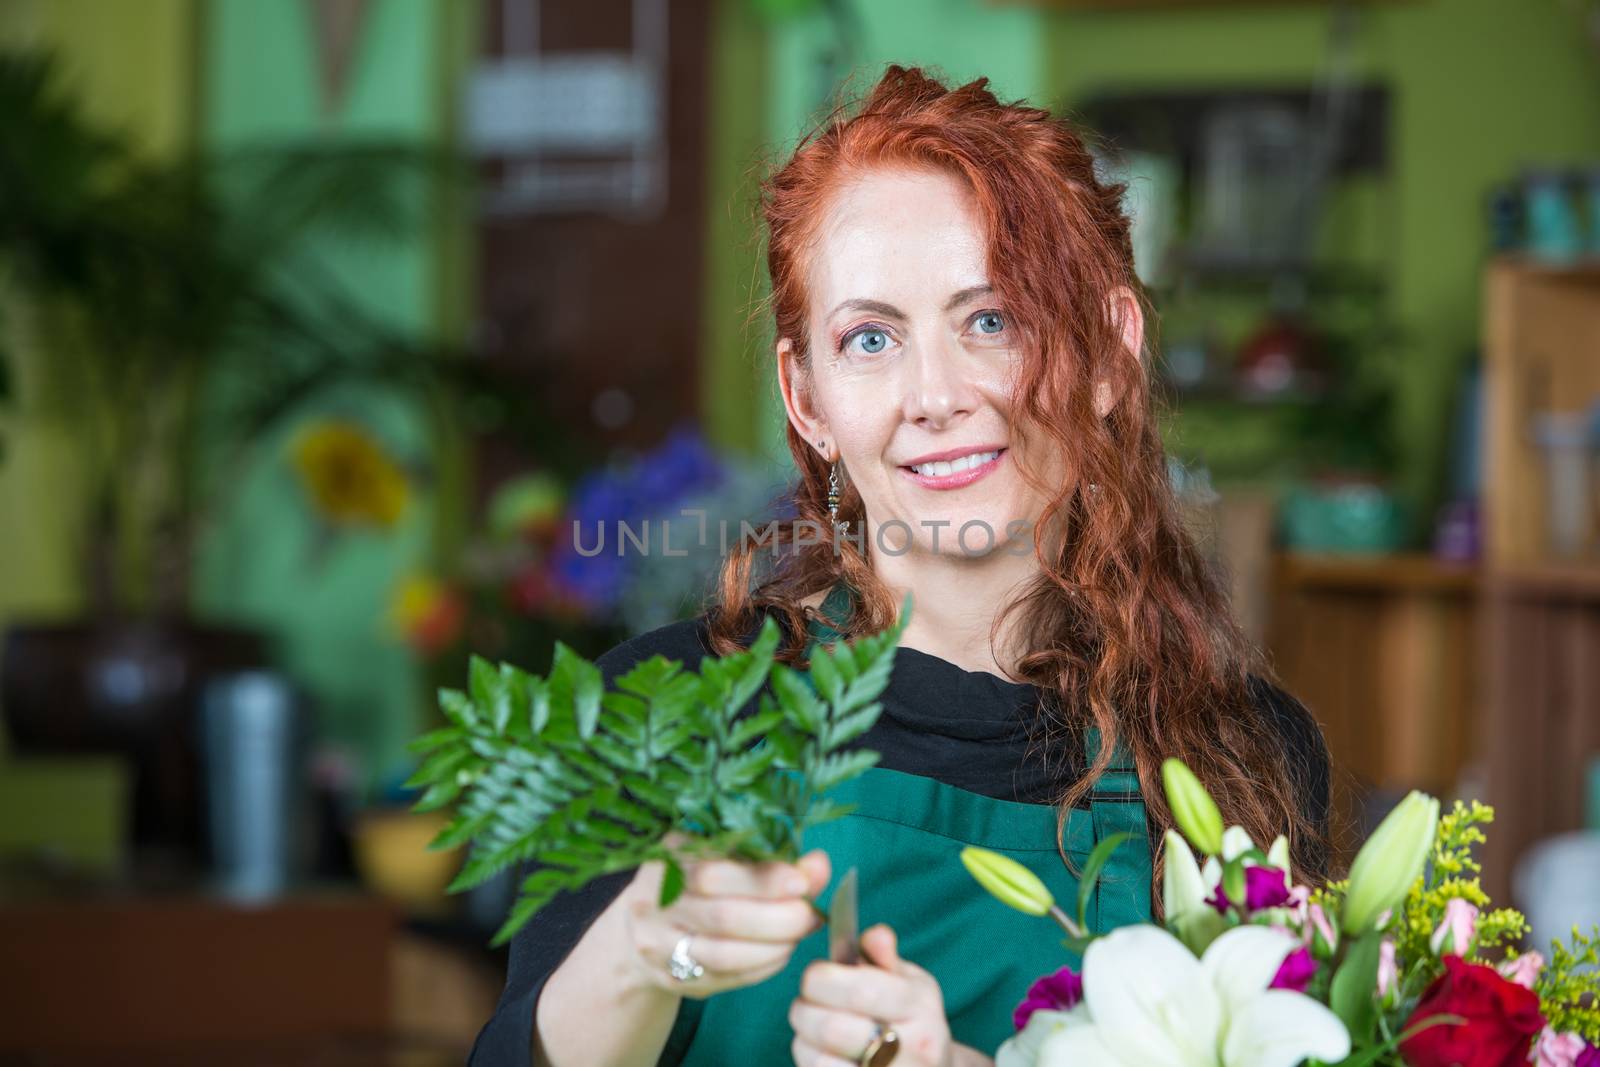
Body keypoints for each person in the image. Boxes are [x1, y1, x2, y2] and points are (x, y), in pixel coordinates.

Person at [469, 64, 1331, 1067]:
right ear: (808, 400)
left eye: (992, 320)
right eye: (870, 338)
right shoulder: (665, 712)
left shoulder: (1241, 759)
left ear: (1107, 351)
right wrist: (636, 952)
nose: (933, 393)